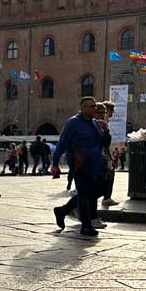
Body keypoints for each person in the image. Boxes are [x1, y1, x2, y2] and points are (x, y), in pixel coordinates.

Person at [51, 97, 104, 237]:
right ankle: (86, 226)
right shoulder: (73, 123)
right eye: (91, 106)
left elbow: (102, 143)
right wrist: (55, 163)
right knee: (84, 193)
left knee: (91, 192)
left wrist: (106, 131)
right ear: (82, 108)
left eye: (95, 106)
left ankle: (62, 210)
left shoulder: (95, 124)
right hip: (79, 163)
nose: (94, 109)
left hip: (95, 164)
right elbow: (62, 143)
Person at [100, 100, 119, 207]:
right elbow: (104, 142)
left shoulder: (104, 122)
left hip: (103, 154)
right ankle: (106, 198)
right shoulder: (101, 123)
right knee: (109, 175)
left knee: (110, 175)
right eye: (111, 110)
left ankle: (107, 197)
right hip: (101, 155)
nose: (112, 113)